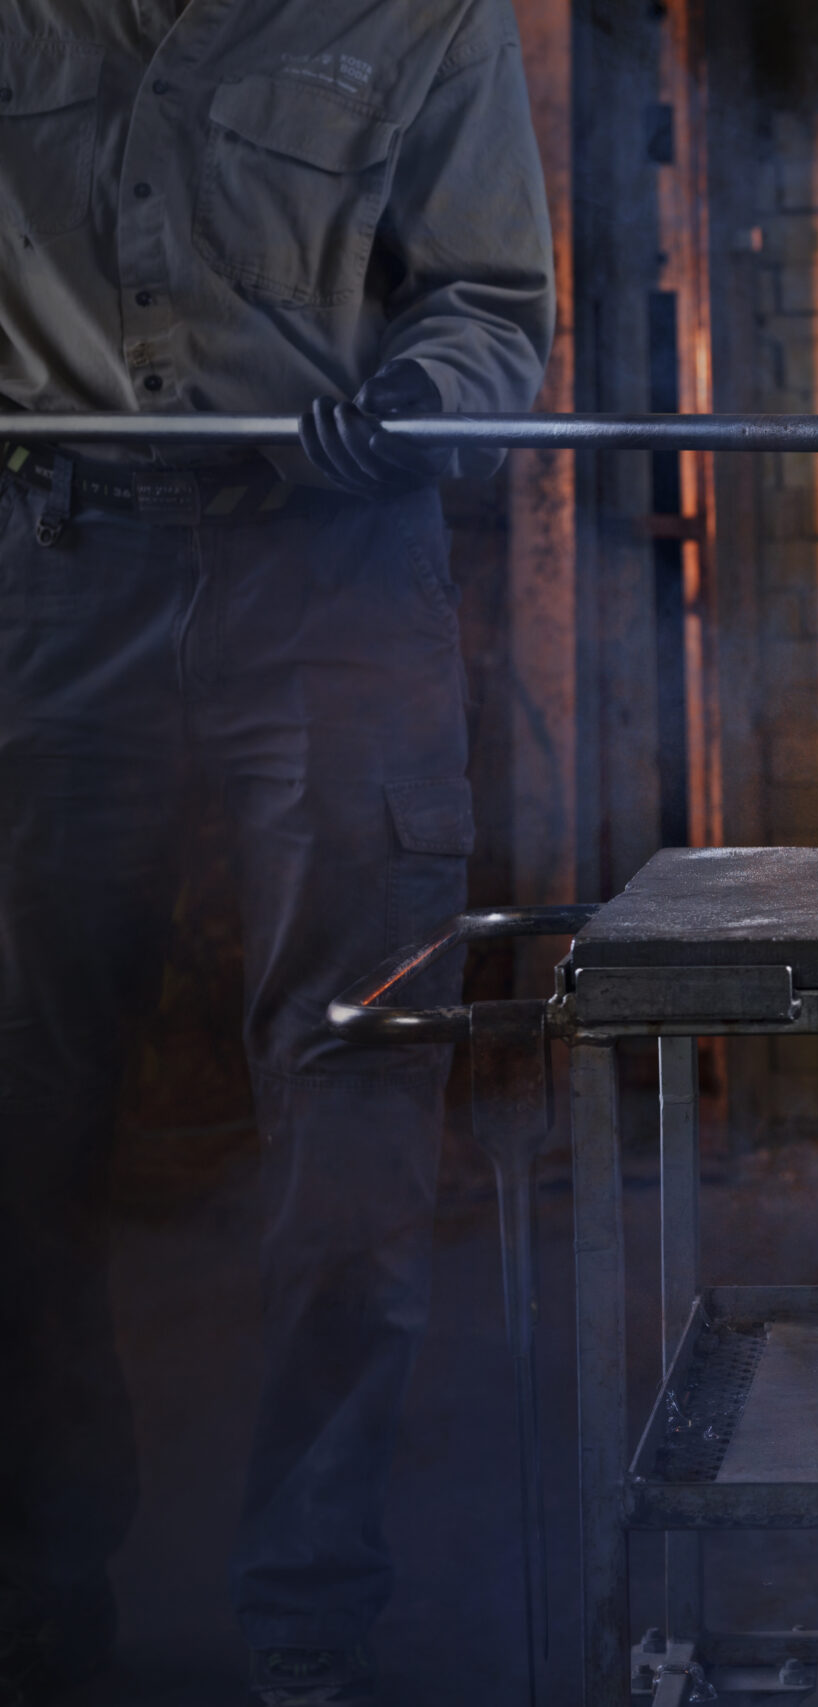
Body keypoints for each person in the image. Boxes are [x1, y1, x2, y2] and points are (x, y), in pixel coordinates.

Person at [0, 3, 554, 1703]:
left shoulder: (421, 14)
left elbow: (488, 306)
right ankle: (34, 1597)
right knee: (16, 1109)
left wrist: (414, 406)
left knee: (351, 1108)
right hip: (48, 573)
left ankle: (312, 1609)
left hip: (330, 575)